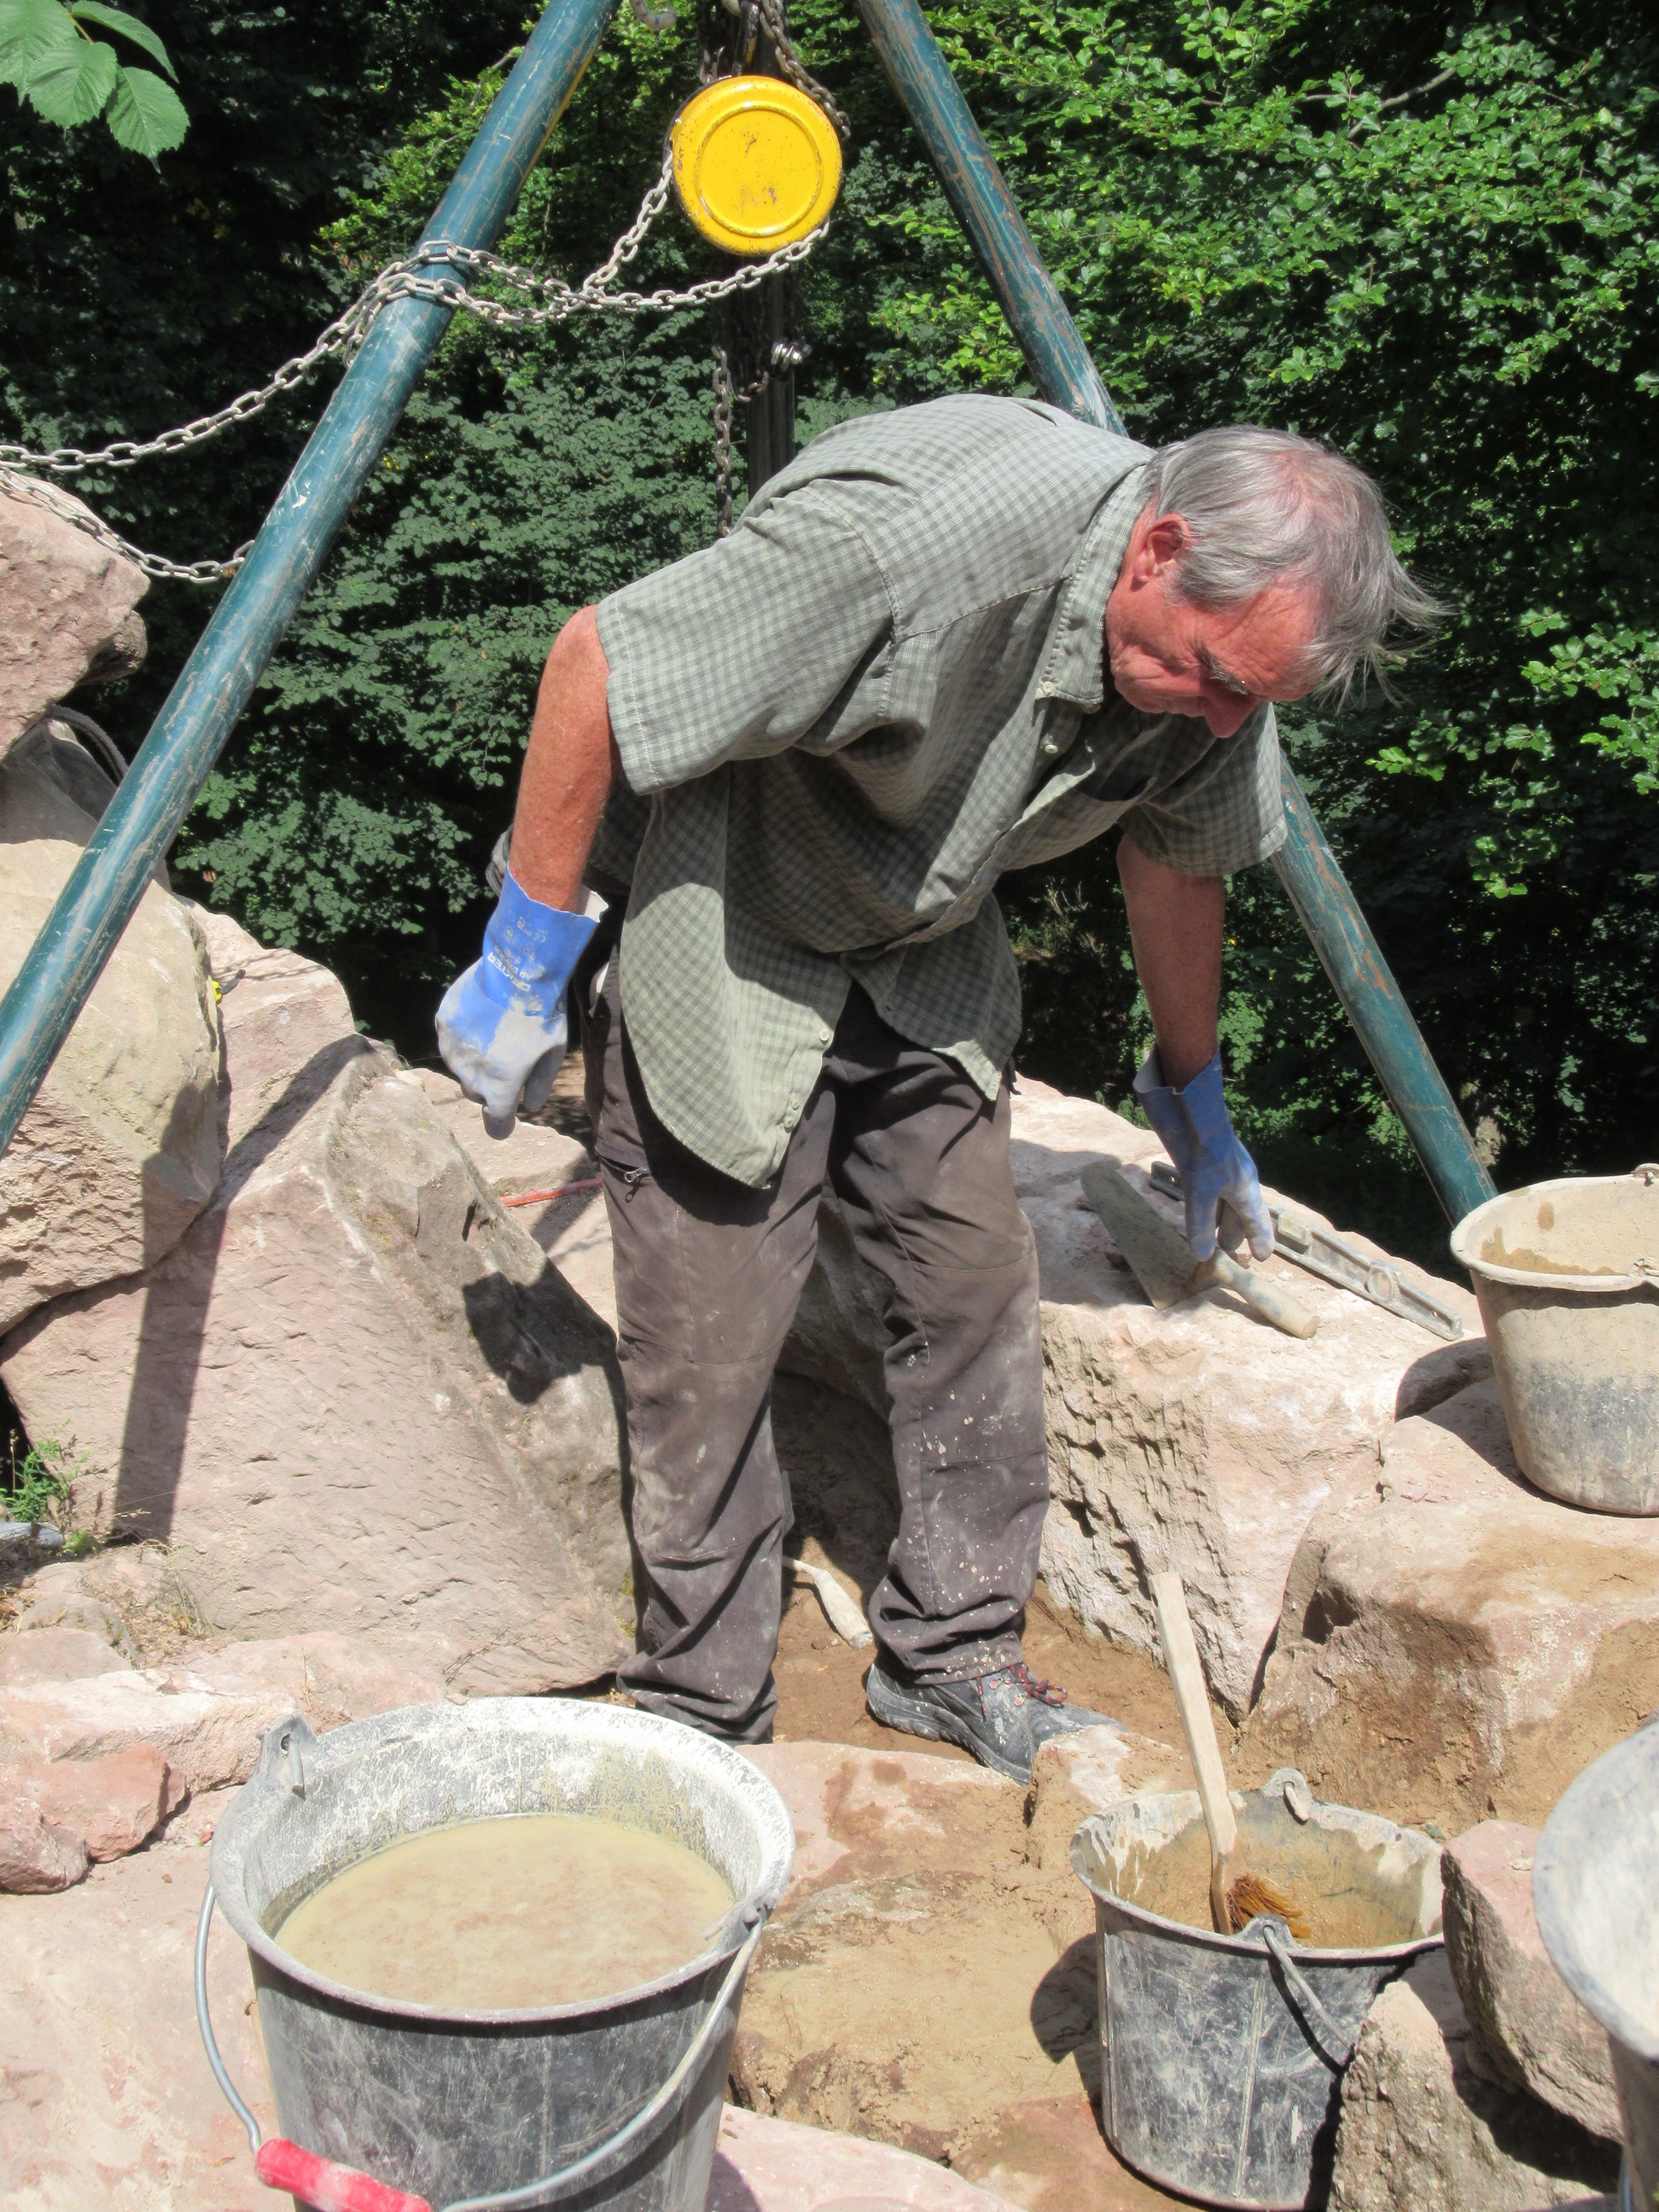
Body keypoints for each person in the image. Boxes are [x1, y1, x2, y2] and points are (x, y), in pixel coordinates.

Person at [437, 396, 1435, 1783]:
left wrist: (1193, 1094)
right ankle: (703, 1711)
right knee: (707, 1341)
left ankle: (951, 1657)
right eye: (1216, 677)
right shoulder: (905, 555)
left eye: (1251, 700)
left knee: (971, 1284)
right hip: (730, 903)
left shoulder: (1218, 658)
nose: (1225, 718)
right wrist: (527, 952)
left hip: (923, 933)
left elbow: (1179, 857)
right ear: (1157, 550)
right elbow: (598, 659)